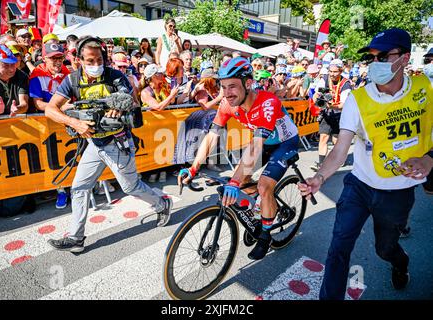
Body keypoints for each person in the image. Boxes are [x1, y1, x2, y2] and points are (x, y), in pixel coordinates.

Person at [298, 28, 433, 300]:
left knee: (384, 249)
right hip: (358, 187)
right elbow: (340, 149)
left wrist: (430, 158)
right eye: (371, 58)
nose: (375, 64)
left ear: (405, 58)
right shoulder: (358, 99)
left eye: (383, 56)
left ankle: (400, 261)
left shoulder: (425, 89)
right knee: (338, 248)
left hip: (397, 193)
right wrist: (320, 178)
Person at [45, 37, 173, 253]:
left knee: (130, 187)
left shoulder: (115, 75)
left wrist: (121, 106)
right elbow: (50, 109)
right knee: (79, 187)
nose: (95, 65)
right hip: (94, 144)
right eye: (89, 61)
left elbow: (130, 99)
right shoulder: (72, 80)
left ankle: (162, 204)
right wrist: (75, 123)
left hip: (118, 143)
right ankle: (76, 237)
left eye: (99, 60)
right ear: (79, 60)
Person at [178, 57, 300, 260]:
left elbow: (255, 146)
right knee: (243, 181)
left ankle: (265, 236)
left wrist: (234, 182)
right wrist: (193, 167)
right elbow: (212, 136)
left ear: (248, 83)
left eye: (232, 86)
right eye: (223, 87)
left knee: (263, 186)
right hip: (263, 142)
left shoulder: (268, 103)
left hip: (285, 143)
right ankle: (266, 204)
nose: (227, 93)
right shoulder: (227, 103)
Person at [29, 42, 71, 209]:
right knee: (53, 159)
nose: (57, 62)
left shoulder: (68, 73)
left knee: (70, 155)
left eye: (60, 58)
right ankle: (60, 191)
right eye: (53, 59)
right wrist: (59, 107)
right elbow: (38, 104)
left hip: (67, 122)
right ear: (44, 59)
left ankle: (75, 188)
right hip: (47, 124)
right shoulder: (37, 75)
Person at [311, 59, 352, 171]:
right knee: (323, 137)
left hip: (339, 113)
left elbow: (343, 105)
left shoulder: (346, 84)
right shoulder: (324, 78)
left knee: (335, 139)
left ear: (341, 71)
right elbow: (316, 93)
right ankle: (321, 163)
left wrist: (331, 106)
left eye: (335, 72)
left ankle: (339, 158)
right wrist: (316, 99)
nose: (332, 74)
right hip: (326, 113)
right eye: (330, 71)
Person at [0, 45, 29, 117]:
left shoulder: (22, 76)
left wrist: (17, 109)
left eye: (13, 64)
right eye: (6, 65)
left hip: (17, 119)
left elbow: (24, 104)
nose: (11, 69)